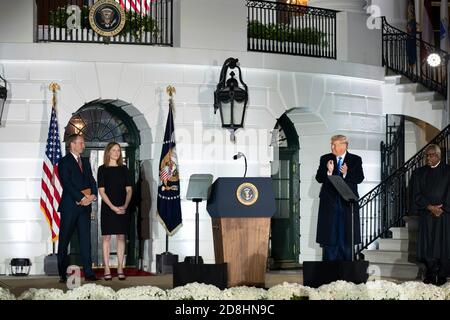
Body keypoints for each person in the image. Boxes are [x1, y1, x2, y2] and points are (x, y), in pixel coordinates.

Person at [315, 135, 364, 261]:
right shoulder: (325, 158)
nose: (332, 147)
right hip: (330, 203)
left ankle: (347, 265)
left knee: (347, 234)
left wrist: (347, 173)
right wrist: (329, 172)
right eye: (331, 144)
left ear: (344, 146)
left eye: (334, 144)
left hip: (347, 204)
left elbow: (359, 178)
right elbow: (319, 178)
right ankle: (329, 267)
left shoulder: (355, 159)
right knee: (330, 234)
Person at [57, 134, 98, 282]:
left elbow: (92, 181)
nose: (84, 146)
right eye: (81, 143)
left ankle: (89, 273)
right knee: (64, 241)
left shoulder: (85, 162)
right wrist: (81, 198)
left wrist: (92, 195)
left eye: (83, 143)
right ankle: (62, 273)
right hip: (70, 207)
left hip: (84, 208)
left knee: (85, 240)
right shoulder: (64, 162)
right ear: (72, 144)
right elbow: (67, 184)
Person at [411, 144, 450, 286]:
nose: (428, 158)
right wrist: (429, 207)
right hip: (427, 213)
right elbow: (415, 194)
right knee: (428, 244)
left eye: (431, 155)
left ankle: (442, 274)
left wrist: (443, 207)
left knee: (443, 244)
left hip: (444, 214)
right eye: (426, 155)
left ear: (439, 156)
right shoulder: (419, 173)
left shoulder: (448, 171)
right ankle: (430, 272)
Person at [97, 142, 133, 280]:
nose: (117, 152)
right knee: (106, 237)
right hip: (108, 207)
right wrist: (112, 207)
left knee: (121, 237)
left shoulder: (124, 169)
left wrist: (124, 205)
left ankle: (120, 267)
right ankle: (106, 267)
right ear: (108, 152)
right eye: (114, 150)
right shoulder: (102, 169)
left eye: (118, 150)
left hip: (123, 207)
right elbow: (101, 191)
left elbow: (129, 190)